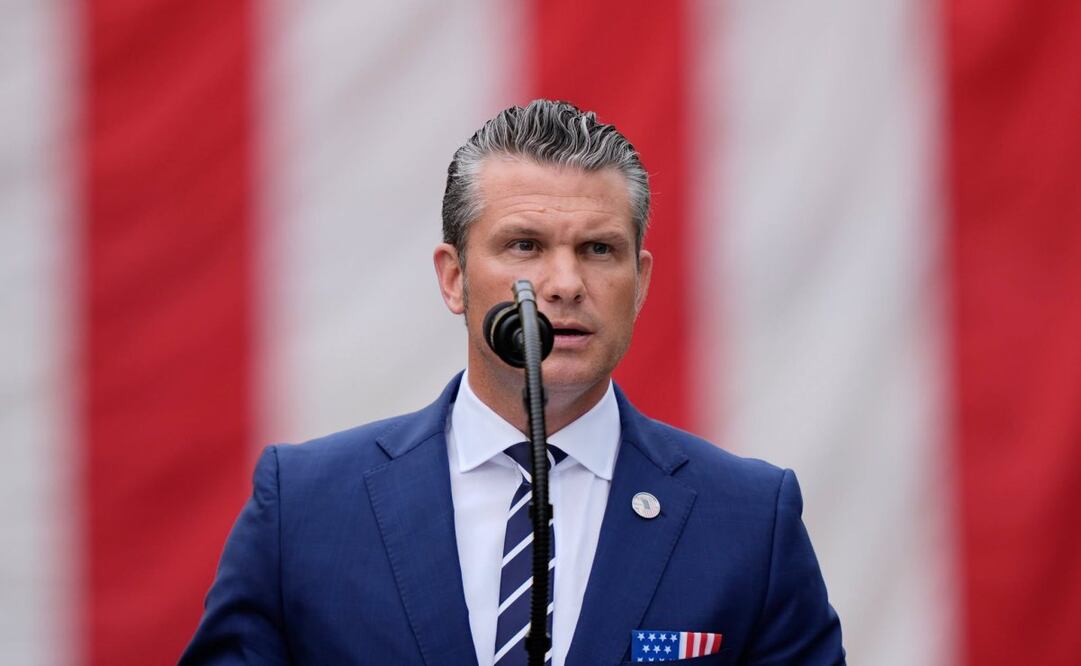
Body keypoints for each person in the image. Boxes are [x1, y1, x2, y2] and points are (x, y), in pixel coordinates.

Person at [181, 100, 844, 665]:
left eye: (598, 249)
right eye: (524, 244)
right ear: (453, 278)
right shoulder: (306, 507)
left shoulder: (750, 520)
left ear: (639, 282)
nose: (563, 284)